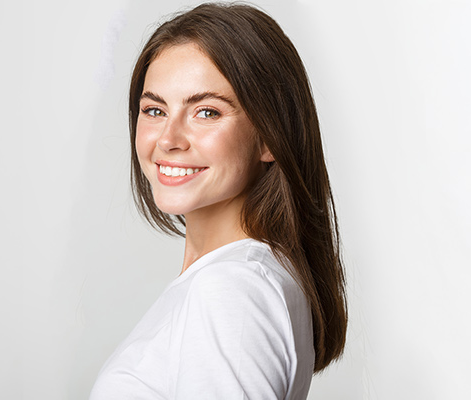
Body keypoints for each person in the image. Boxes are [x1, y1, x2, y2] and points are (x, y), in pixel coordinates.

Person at [90, 3, 348, 399]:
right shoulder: (230, 279)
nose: (169, 138)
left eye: (206, 112)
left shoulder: (231, 291)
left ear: (268, 136)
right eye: (154, 109)